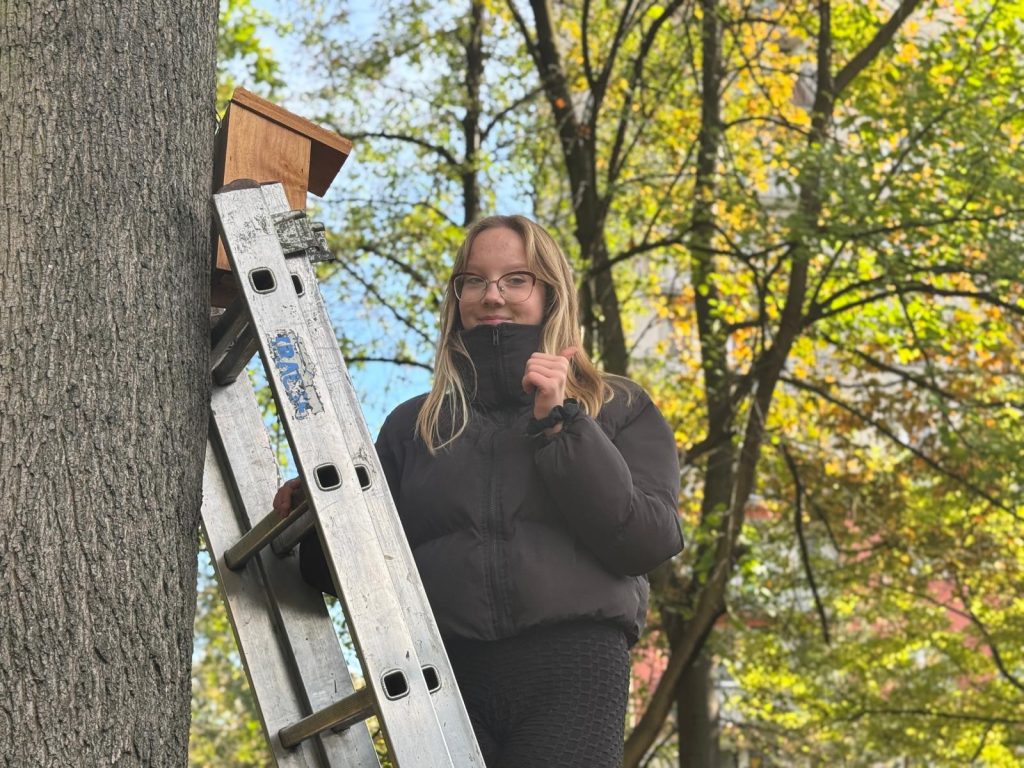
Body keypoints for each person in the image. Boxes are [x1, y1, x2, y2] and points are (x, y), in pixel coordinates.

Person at [274, 215, 684, 767]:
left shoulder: (615, 407)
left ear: (550, 291)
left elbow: (648, 541)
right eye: (474, 280)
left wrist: (562, 425)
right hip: (444, 678)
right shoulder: (412, 426)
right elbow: (357, 573)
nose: (493, 296)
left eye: (516, 279)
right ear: (458, 296)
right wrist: (318, 515)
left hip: (572, 671)